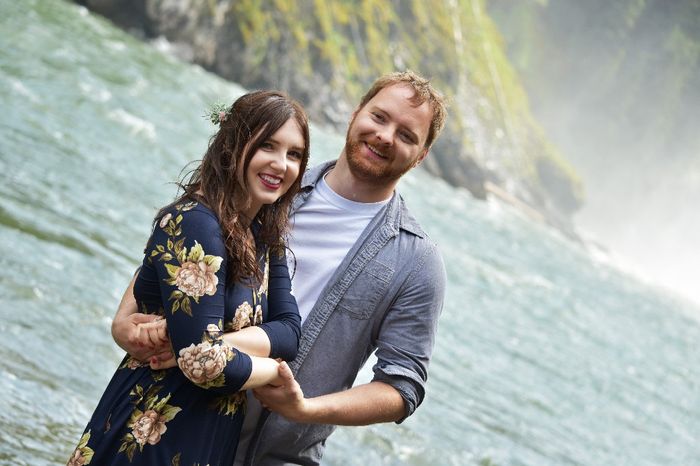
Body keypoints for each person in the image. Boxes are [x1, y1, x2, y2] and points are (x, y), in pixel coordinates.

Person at [114, 70, 448, 465]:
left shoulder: (416, 262)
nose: (386, 136)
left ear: (421, 155)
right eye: (379, 117)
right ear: (356, 112)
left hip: (273, 455)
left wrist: (305, 409)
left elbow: (401, 387)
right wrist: (124, 320)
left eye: (407, 135)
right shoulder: (273, 182)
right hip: (173, 419)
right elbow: (181, 248)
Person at [67, 90, 310, 466]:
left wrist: (220, 344)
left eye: (294, 154)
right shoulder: (196, 222)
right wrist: (274, 372)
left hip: (209, 435)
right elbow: (206, 365)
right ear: (234, 145)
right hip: (150, 433)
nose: (281, 164)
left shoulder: (264, 234)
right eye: (267, 146)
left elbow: (290, 331)